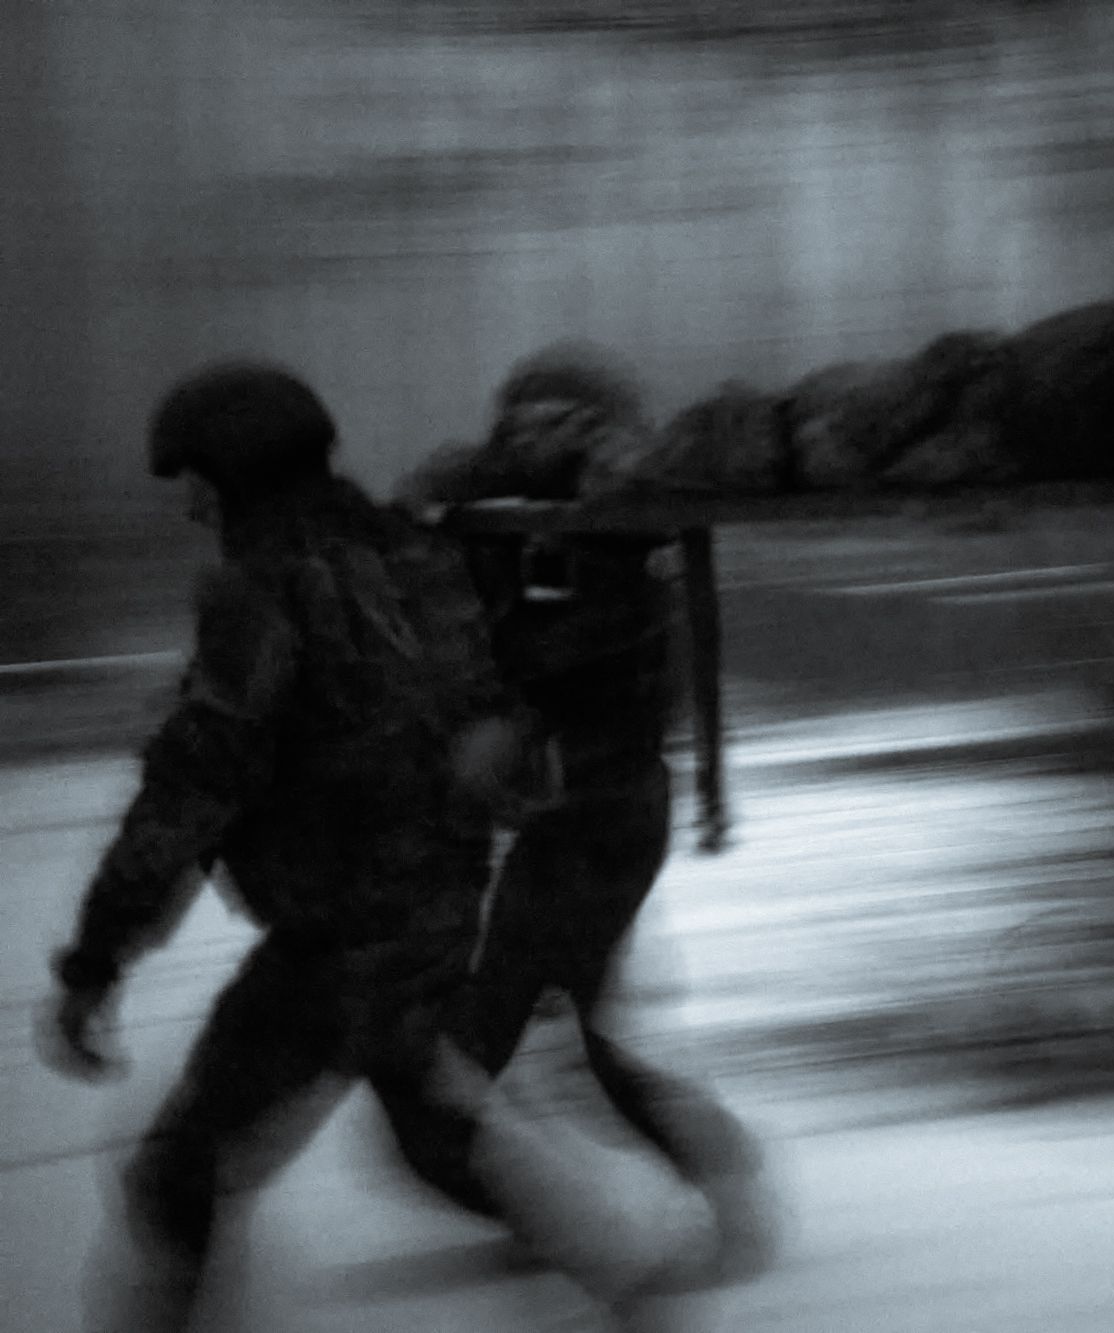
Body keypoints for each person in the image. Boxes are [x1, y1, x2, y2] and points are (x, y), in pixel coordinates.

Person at [33, 362, 659, 1330]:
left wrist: (96, 957)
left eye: (197, 480)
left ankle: (635, 1294)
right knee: (433, 1132)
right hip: (432, 912)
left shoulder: (264, 593)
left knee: (180, 1170)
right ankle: (632, 1290)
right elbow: (477, 716)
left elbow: (192, 789)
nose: (192, 505)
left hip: (341, 939)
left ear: (240, 472)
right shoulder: (416, 553)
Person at [399, 344, 773, 1305]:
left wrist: (510, 712)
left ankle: (597, 1219)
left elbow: (594, 652)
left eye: (557, 423)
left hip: (599, 815)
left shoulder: (609, 532)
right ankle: (664, 1196)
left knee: (476, 1051)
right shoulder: (526, 517)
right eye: (525, 423)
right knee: (569, 1036)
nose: (537, 439)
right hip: (580, 816)